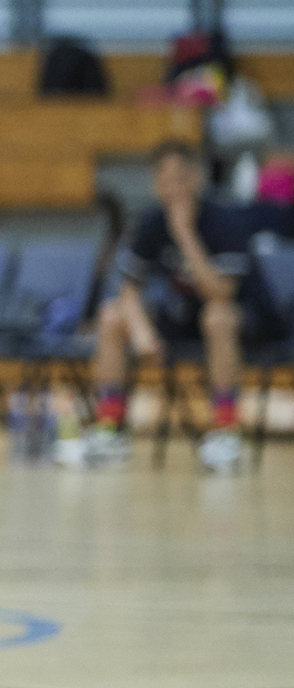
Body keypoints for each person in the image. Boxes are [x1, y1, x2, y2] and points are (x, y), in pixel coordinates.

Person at [78, 138, 290, 473]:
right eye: (163, 181)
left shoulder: (224, 221)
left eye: (179, 179)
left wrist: (186, 235)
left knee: (216, 316)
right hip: (187, 316)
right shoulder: (151, 223)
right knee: (111, 315)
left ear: (196, 179)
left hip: (248, 320)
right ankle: (109, 430)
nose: (171, 188)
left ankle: (226, 430)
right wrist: (142, 333)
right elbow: (129, 288)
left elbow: (220, 292)